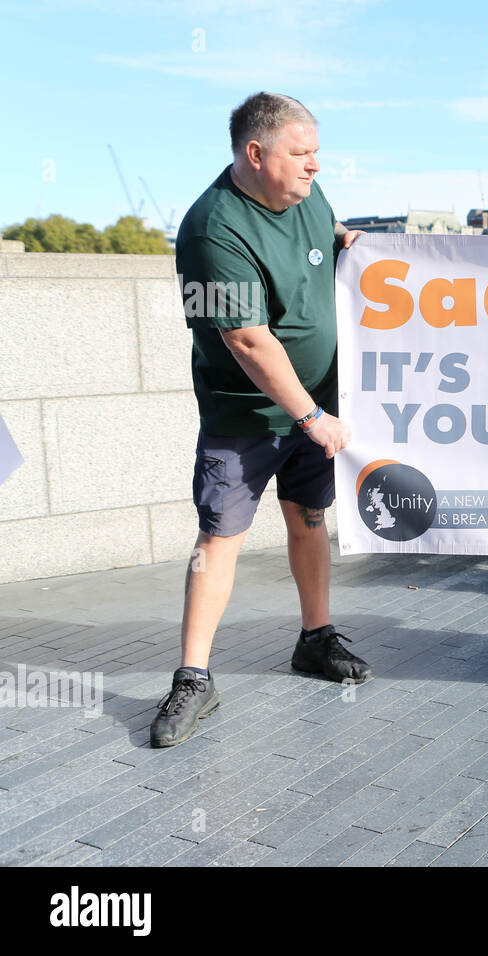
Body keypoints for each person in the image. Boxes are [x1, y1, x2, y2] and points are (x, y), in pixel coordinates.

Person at [151, 92, 372, 748]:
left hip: (315, 403)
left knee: (308, 519)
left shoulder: (310, 201)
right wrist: (310, 418)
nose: (315, 168)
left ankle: (315, 638)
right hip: (246, 414)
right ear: (255, 154)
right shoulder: (212, 228)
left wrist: (346, 241)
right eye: (301, 155)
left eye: (317, 154)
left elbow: (319, 238)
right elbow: (248, 341)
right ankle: (193, 677)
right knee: (218, 538)